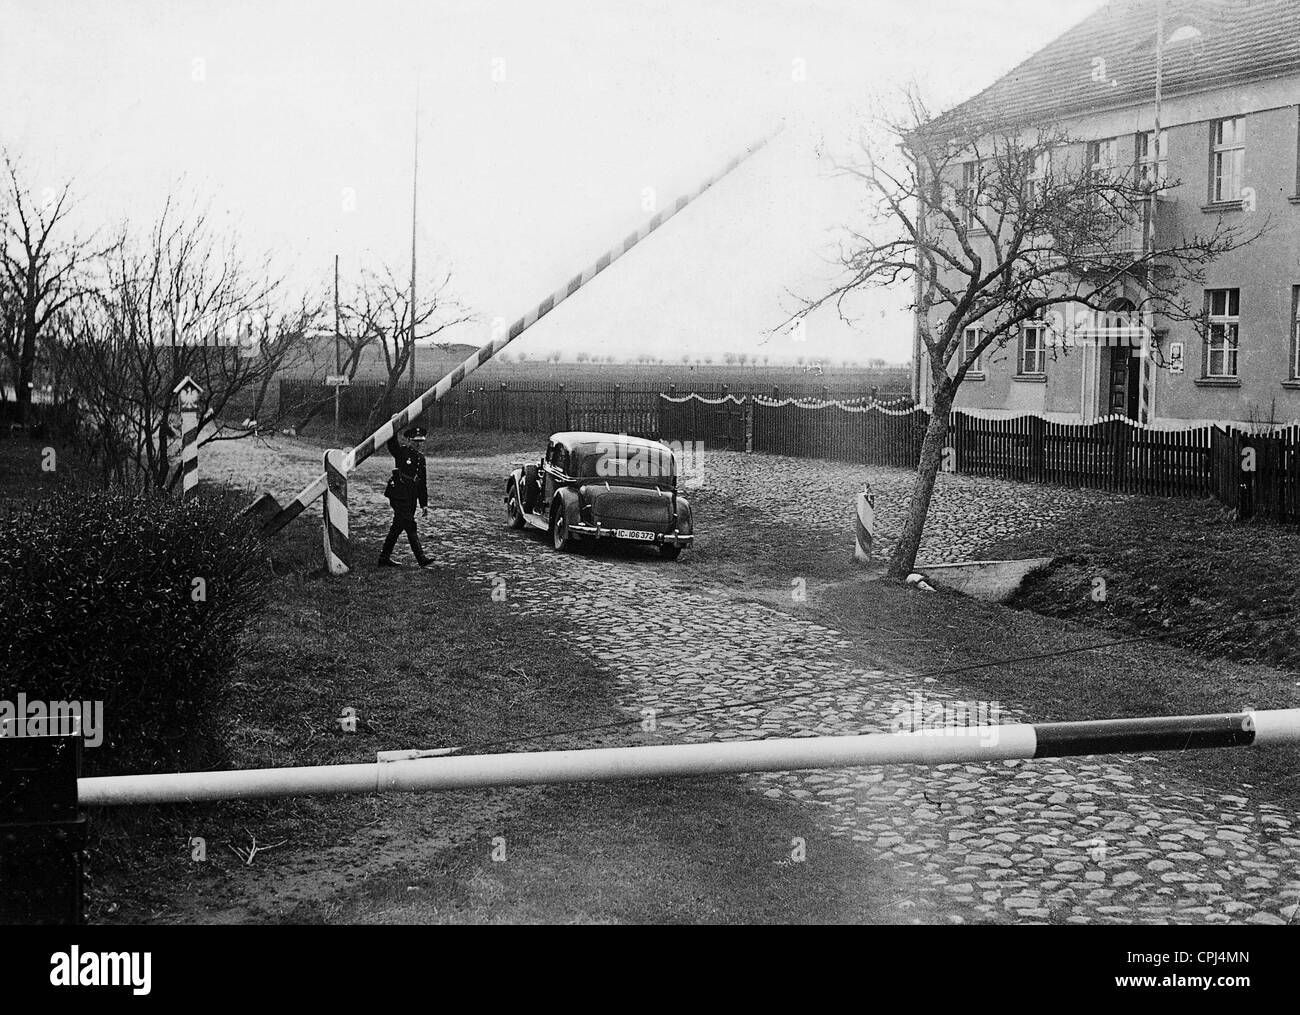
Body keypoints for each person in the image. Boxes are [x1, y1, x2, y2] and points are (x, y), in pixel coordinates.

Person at [379, 426, 431, 567]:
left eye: (420, 441)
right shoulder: (401, 452)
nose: (418, 444)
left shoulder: (421, 458)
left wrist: (424, 504)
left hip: (411, 496)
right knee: (409, 524)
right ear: (408, 440)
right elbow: (392, 443)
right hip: (398, 494)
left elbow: (422, 484)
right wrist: (394, 427)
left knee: (397, 526)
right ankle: (421, 559)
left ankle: (384, 557)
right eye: (415, 441)